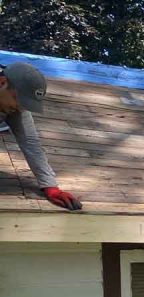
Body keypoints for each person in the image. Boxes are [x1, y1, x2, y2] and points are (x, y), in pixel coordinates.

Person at [0, 63, 82, 210]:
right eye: (18, 100)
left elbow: (31, 143)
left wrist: (50, 186)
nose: (20, 107)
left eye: (25, 104)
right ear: (2, 83)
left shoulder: (17, 105)